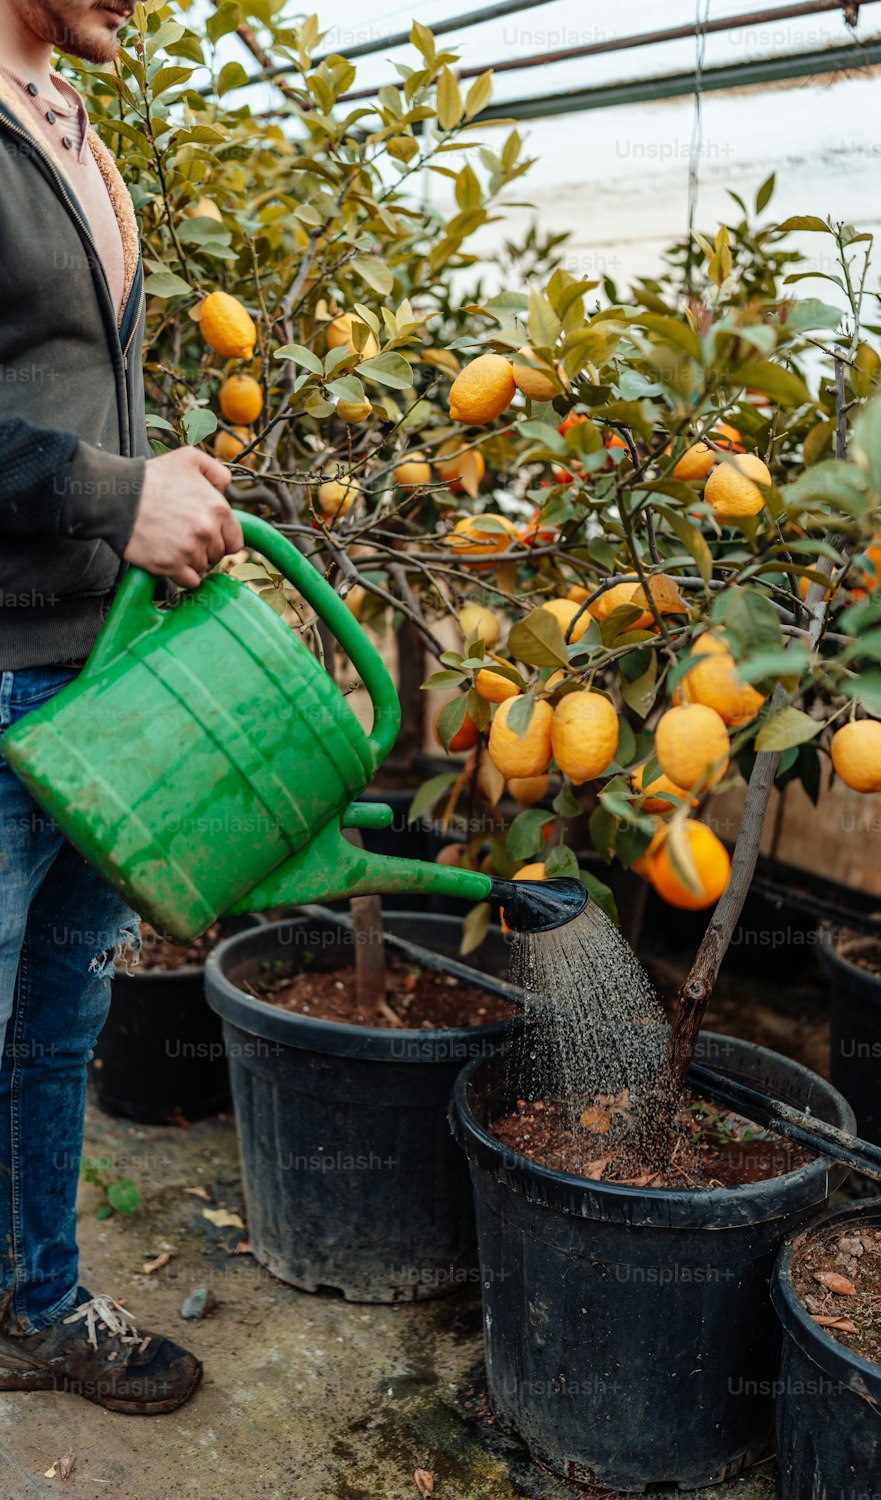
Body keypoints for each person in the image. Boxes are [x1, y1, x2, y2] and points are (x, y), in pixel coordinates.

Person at [0, 0, 242, 1412]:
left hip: (99, 667)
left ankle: (38, 1300)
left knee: (57, 1024)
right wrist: (112, 493)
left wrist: (162, 478)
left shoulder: (72, 120)